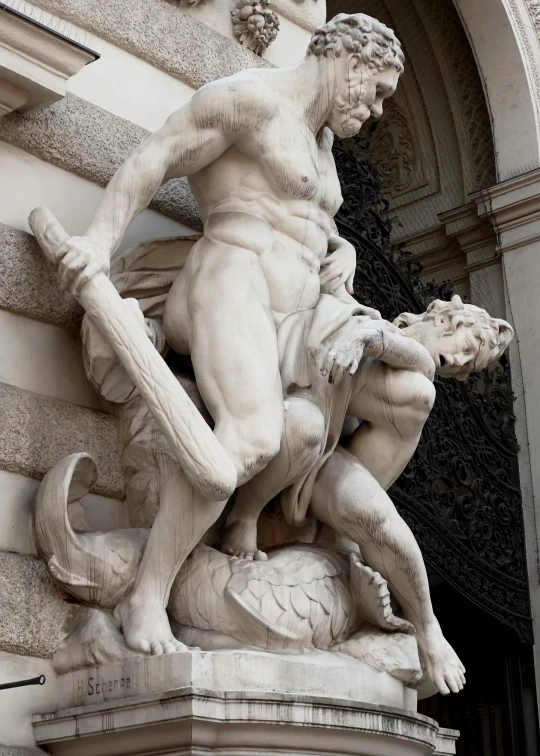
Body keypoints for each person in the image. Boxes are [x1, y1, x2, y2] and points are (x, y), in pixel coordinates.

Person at [42, 13, 404, 655]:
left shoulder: (320, 148)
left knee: (303, 433)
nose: (375, 110)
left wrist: (341, 248)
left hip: (290, 314)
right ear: (348, 57)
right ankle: (148, 599)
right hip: (229, 279)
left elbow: (301, 222)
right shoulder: (252, 100)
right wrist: (98, 242)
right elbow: (156, 156)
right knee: (254, 435)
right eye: (375, 89)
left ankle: (238, 527)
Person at [222, 294, 514, 694]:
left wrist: (370, 339)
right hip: (295, 421)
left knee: (382, 523)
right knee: (310, 427)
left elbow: (405, 357)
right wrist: (366, 334)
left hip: (326, 470)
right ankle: (244, 513)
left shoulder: (414, 382)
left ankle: (429, 630)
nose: (460, 364)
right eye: (465, 350)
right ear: (447, 320)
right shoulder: (361, 321)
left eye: (468, 366)